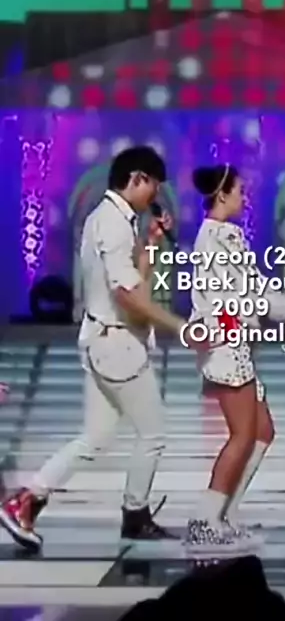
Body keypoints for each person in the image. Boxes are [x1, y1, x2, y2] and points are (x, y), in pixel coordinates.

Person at [0, 146, 190, 551]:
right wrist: (180, 326)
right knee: (153, 433)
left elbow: (135, 283)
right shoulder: (113, 223)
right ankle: (135, 516)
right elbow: (129, 297)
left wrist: (152, 243)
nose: (155, 195)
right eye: (154, 186)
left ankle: (26, 500)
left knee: (95, 437)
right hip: (117, 344)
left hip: (103, 340)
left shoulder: (113, 220)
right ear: (136, 178)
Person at [185, 163, 285, 554]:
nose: (245, 197)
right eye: (239, 190)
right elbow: (234, 296)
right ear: (222, 194)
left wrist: (283, 306)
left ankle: (225, 515)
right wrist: (281, 309)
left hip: (236, 342)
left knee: (262, 431)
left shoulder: (224, 236)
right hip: (227, 342)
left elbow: (250, 286)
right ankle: (205, 521)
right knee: (243, 435)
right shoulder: (215, 238)